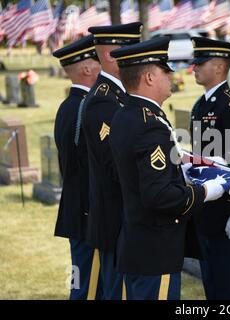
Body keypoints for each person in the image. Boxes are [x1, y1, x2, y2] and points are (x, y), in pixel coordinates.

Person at [108, 37, 226, 300]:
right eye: (165, 70)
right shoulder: (150, 125)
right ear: (149, 77)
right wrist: (206, 190)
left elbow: (140, 170)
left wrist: (187, 160)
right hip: (155, 251)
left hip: (136, 244)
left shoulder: (126, 115)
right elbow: (158, 195)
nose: (172, 75)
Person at [189, 37, 230, 300]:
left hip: (228, 209)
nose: (194, 68)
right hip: (206, 206)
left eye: (200, 63)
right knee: (212, 283)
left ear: (218, 67)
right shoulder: (201, 105)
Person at [81, 22, 142, 300]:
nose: (138, 54)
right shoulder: (104, 100)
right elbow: (114, 163)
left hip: (125, 217)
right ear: (109, 55)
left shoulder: (122, 95)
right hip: (116, 219)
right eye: (131, 49)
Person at [53, 35, 101, 300]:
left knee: (80, 282)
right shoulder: (86, 107)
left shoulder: (69, 106)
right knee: (88, 288)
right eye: (98, 59)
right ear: (86, 68)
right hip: (88, 215)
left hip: (78, 213)